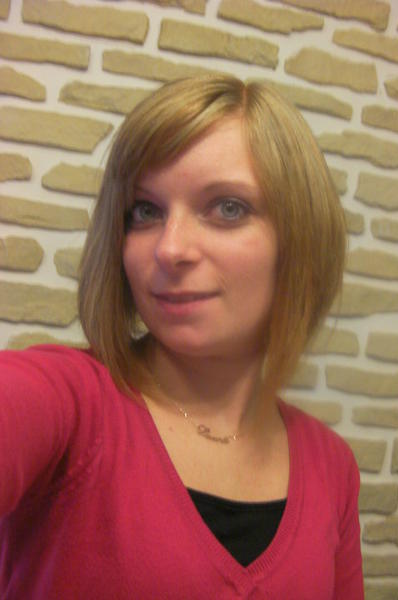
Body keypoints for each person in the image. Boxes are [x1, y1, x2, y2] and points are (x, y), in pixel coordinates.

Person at [0, 75, 363, 599]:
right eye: (145, 211)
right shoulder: (68, 403)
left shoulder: (333, 468)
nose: (169, 249)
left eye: (228, 208)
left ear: (299, 241)